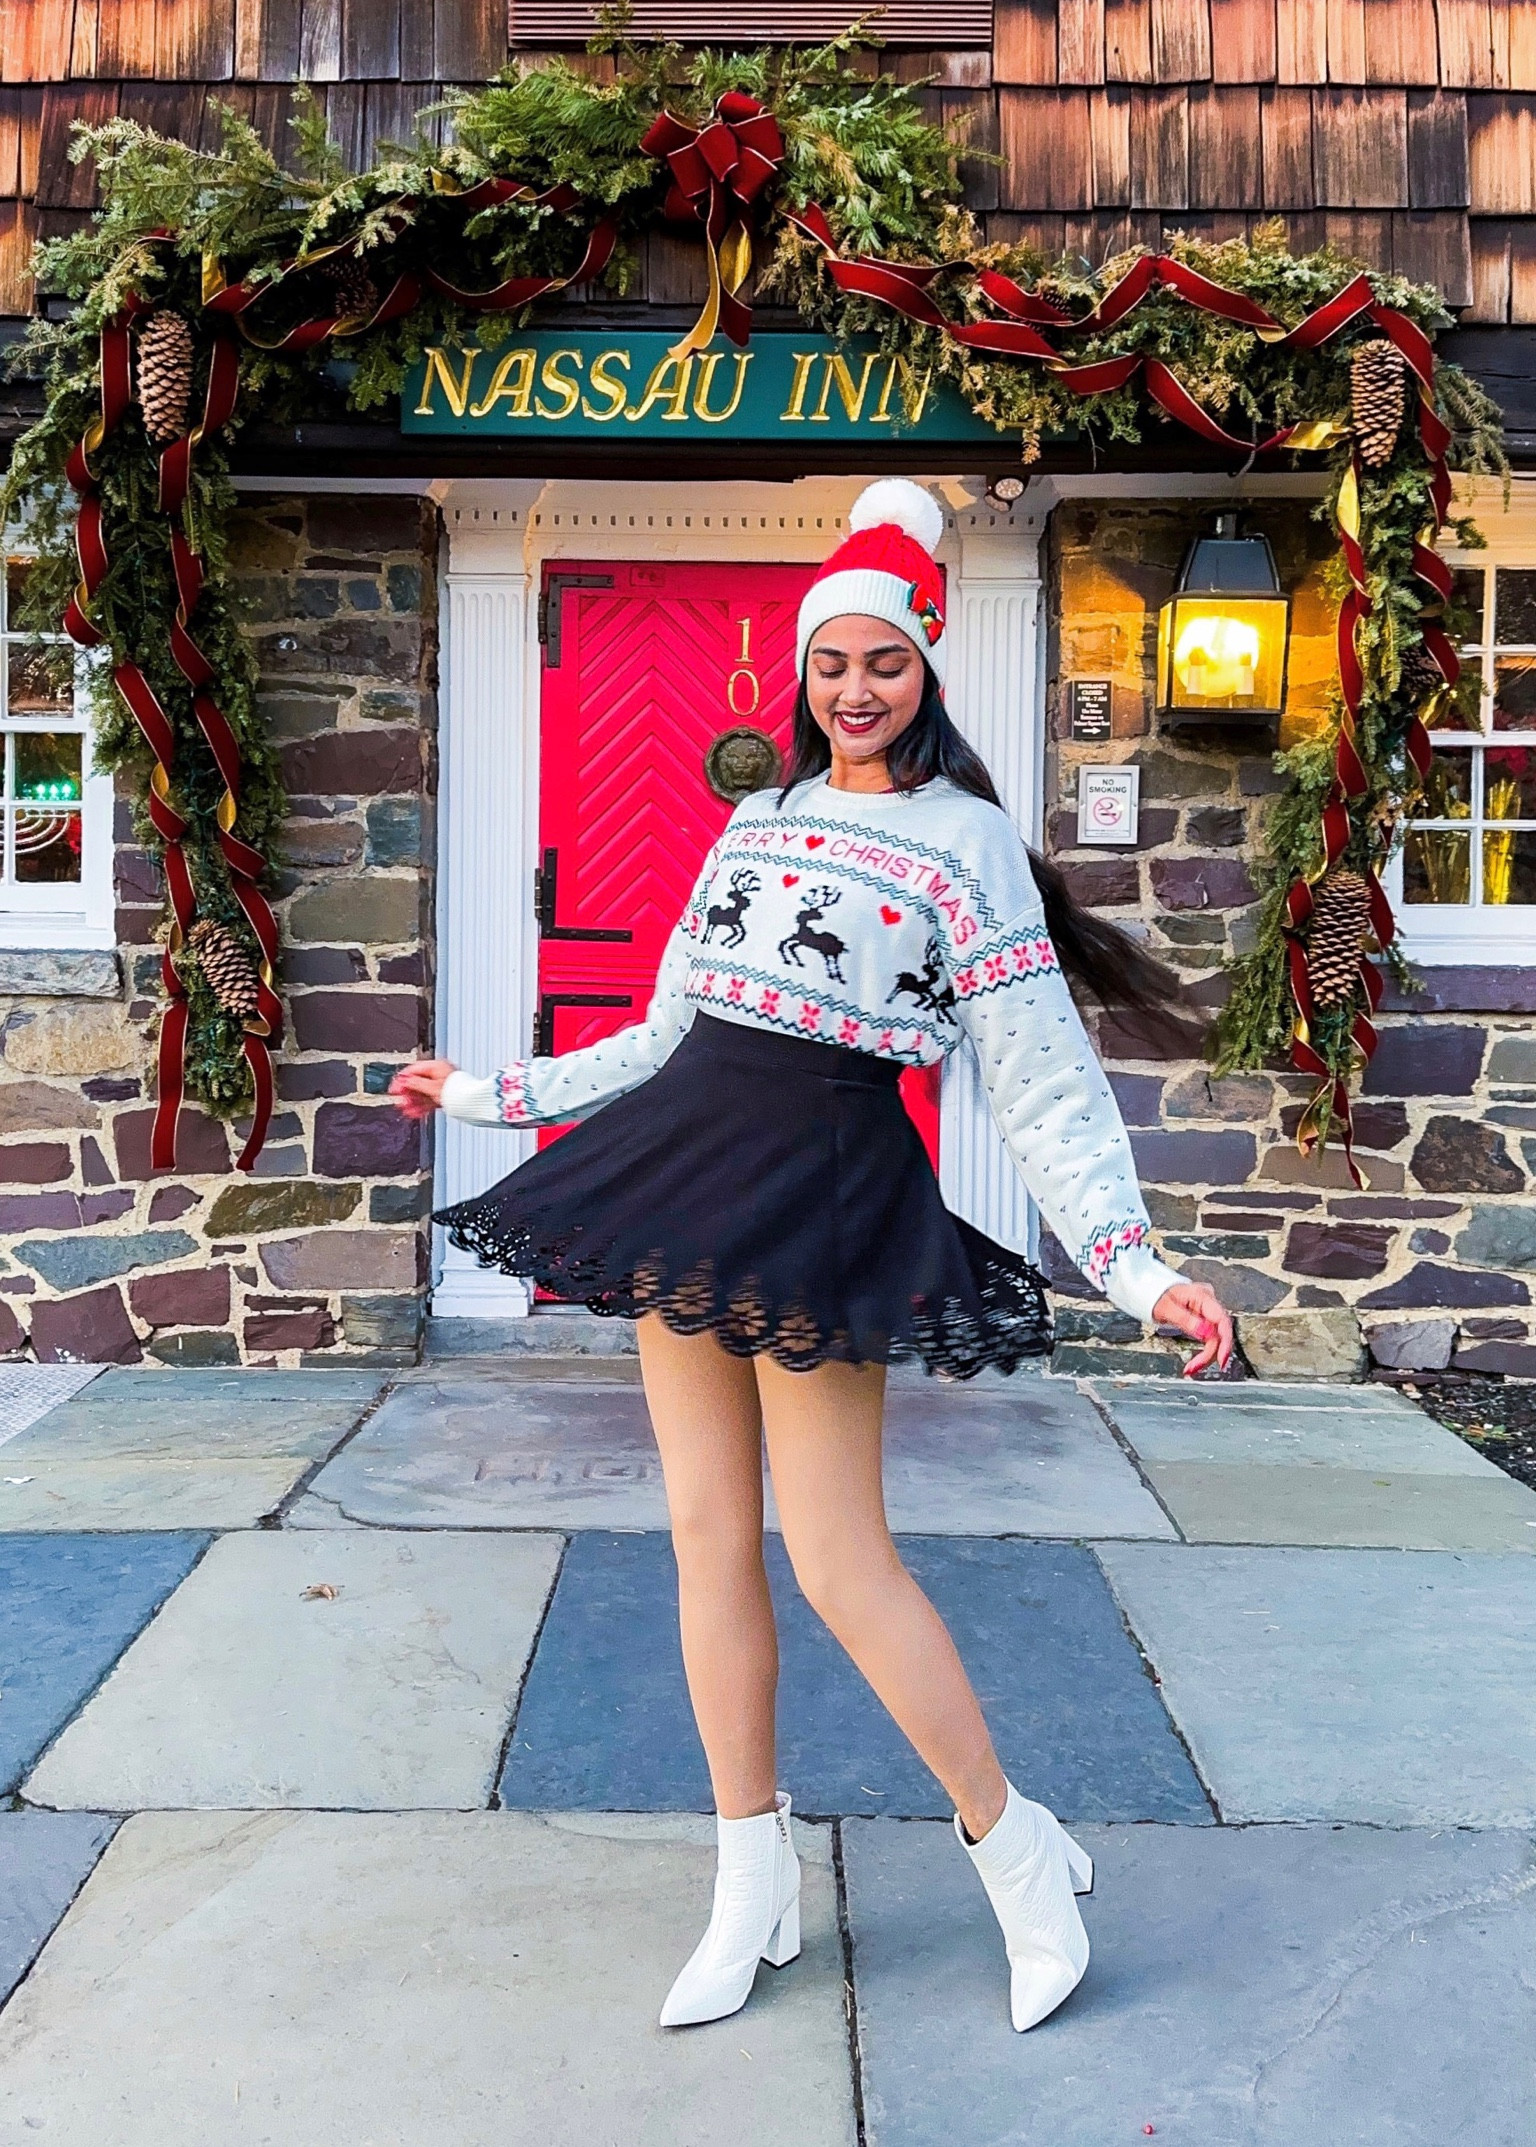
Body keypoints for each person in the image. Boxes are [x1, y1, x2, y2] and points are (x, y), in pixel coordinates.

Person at [392, 479, 1233, 2035]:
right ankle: (750, 1876)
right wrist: (492, 1095)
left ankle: (1015, 1846)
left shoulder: (968, 845)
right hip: (685, 1182)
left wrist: (1131, 1266)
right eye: (830, 665)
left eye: (886, 664)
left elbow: (1039, 1079)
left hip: (828, 1199)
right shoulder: (754, 820)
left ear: (927, 663)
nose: (855, 690)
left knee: (842, 1563)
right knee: (707, 1541)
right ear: (801, 676)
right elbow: (664, 1036)